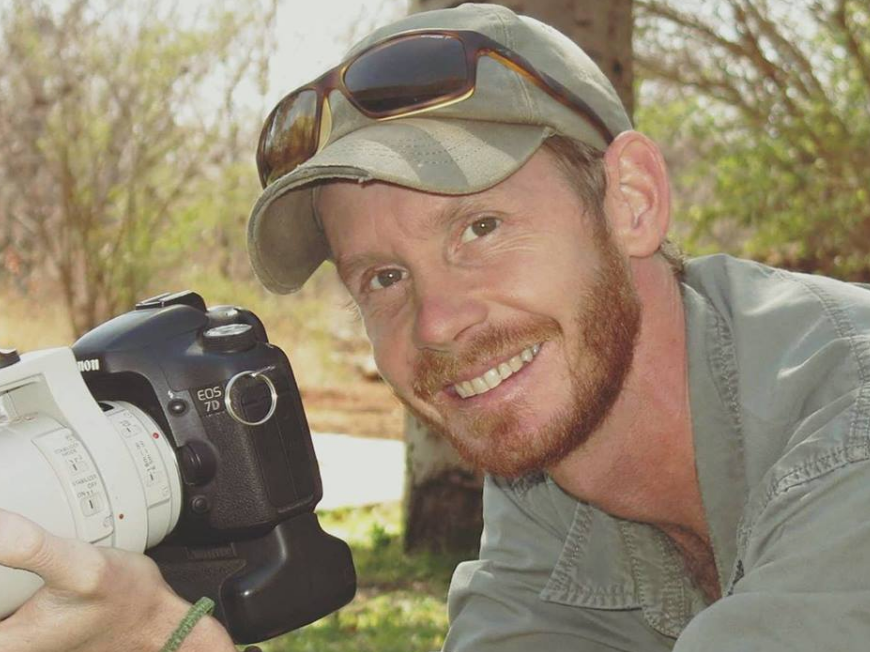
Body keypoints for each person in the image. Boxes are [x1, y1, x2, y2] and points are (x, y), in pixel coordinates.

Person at [2, 3, 870, 650]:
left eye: (480, 229)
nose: (441, 325)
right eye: (383, 278)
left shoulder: (849, 416)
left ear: (630, 201)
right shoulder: (553, 480)